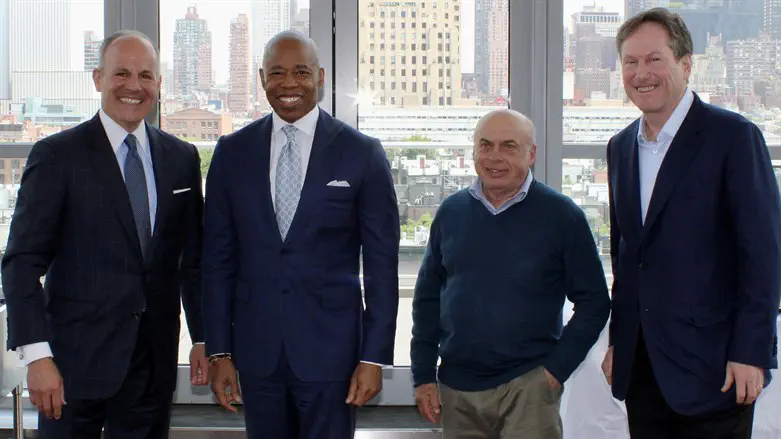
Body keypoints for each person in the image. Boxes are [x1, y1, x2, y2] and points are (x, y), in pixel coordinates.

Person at [1, 30, 209, 438]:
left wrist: (203, 338)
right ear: (98, 78)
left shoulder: (181, 160)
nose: (134, 86)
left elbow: (192, 264)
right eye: (122, 74)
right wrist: (37, 357)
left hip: (152, 367)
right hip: (69, 369)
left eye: (146, 76)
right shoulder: (58, 156)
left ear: (159, 84)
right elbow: (22, 263)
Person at [202, 30, 400, 439]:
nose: (288, 83)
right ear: (261, 79)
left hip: (332, 354)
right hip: (256, 354)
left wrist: (375, 357)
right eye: (277, 73)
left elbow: (382, 267)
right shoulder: (232, 152)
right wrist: (219, 350)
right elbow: (217, 259)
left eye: (300, 72)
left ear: (321, 77)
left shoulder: (362, 153)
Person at [602, 8, 781, 439]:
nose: (641, 73)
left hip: (716, 369)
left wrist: (751, 352)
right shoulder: (620, 147)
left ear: (685, 64)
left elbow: (763, 254)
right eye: (631, 62)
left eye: (654, 59)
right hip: (643, 368)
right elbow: (627, 257)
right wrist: (619, 341)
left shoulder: (734, 138)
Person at [410, 109, 611, 438]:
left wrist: (554, 371)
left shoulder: (562, 216)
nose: (494, 157)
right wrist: (423, 375)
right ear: (473, 151)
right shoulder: (451, 213)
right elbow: (427, 300)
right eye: (485, 145)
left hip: (529, 388)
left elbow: (595, 302)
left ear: (531, 154)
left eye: (509, 147)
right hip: (457, 389)